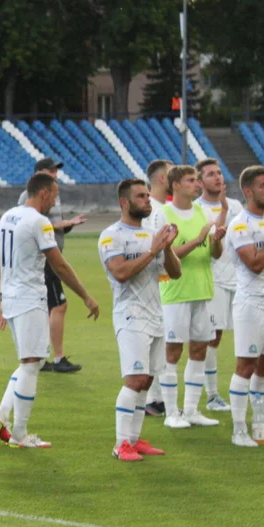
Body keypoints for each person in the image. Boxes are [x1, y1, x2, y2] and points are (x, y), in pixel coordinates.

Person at [0, 173, 99, 448]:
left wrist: (0, 298)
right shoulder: (40, 222)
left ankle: (2, 415)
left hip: (12, 298)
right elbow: (59, 265)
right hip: (30, 299)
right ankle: (20, 434)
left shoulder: (8, 216)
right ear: (44, 194)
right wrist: (86, 296)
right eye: (55, 194)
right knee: (31, 365)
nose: (55, 200)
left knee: (31, 362)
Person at [98, 178, 180, 461]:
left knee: (146, 380)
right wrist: (154, 250)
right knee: (134, 379)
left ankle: (134, 439)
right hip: (130, 315)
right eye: (142, 196)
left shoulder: (151, 235)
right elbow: (120, 272)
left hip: (156, 314)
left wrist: (166, 248)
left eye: (148, 195)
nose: (148, 200)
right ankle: (120, 444)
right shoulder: (112, 236)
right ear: (125, 202)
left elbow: (175, 274)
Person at [159, 164, 229, 429]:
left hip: (203, 289)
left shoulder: (200, 210)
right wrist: (201, 237)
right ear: (175, 185)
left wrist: (215, 241)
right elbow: (168, 253)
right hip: (176, 292)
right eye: (191, 180)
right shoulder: (164, 213)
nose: (197, 184)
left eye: (197, 180)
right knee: (173, 351)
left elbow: (215, 255)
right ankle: (170, 412)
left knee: (199, 348)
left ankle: (191, 410)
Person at [17, 158, 87, 373]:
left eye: (56, 170)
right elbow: (29, 224)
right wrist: (60, 225)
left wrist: (67, 226)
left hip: (52, 252)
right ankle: (57, 358)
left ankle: (40, 357)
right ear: (39, 173)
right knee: (58, 305)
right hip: (45, 258)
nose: (56, 173)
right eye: (51, 170)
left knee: (48, 307)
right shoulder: (27, 196)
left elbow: (51, 226)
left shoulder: (52, 193)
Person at [225, 166, 264, 447]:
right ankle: (238, 430)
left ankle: (260, 427)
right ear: (248, 191)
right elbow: (254, 264)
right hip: (251, 304)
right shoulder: (241, 224)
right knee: (246, 366)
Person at [195, 158, 240, 412]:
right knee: (213, 337)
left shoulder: (235, 205)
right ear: (200, 182)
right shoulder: (197, 209)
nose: (218, 177)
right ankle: (212, 396)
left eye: (220, 173)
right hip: (214, 282)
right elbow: (212, 248)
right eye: (211, 174)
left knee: (256, 334)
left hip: (240, 279)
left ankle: (259, 391)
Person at [141, 159, 175, 416]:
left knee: (160, 339)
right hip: (149, 283)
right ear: (163, 178)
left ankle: (158, 396)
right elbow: (150, 247)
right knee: (153, 339)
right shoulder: (152, 209)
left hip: (158, 280)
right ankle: (152, 397)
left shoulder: (162, 208)